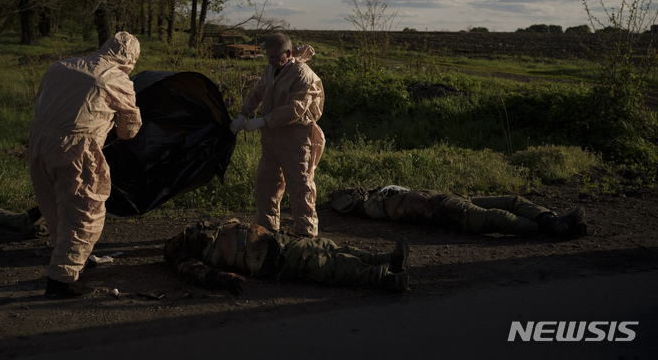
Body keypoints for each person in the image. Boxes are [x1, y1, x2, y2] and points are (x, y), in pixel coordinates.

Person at [29, 31, 142, 298]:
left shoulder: (61, 66)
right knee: (84, 212)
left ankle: (73, 258)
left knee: (55, 205)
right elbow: (130, 127)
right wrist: (116, 132)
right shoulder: (116, 79)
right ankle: (62, 280)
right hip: (77, 151)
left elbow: (40, 98)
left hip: (39, 140)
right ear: (131, 58)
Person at [230, 33, 325, 238]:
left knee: (301, 186)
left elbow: (295, 108)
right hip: (272, 139)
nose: (270, 61)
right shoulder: (270, 70)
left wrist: (263, 121)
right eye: (268, 57)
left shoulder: (302, 74)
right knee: (266, 183)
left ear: (288, 53)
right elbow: (257, 93)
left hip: (296, 138)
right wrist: (243, 115)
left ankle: (306, 233)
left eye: (274, 57)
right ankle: (267, 228)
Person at [164, 219, 410, 295]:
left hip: (278, 241)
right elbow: (192, 270)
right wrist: (221, 278)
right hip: (268, 258)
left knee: (332, 248)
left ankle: (386, 259)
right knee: (327, 264)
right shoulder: (180, 250)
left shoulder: (198, 230)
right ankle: (384, 278)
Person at [330, 185, 587, 238]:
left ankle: (549, 218)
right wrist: (348, 197)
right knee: (499, 218)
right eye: (349, 191)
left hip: (452, 199)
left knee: (511, 200)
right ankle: (551, 230)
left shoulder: (384, 194)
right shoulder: (373, 206)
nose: (354, 189)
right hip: (446, 211)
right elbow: (342, 203)